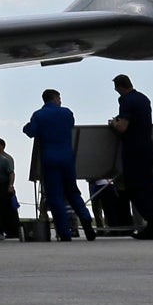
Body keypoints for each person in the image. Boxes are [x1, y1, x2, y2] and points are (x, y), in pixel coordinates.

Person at [24, 90, 93, 241]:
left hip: (49, 158)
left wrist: (26, 126)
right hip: (67, 157)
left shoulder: (38, 115)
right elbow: (70, 125)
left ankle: (64, 232)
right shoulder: (67, 113)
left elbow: (30, 131)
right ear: (55, 98)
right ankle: (85, 217)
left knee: (55, 196)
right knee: (73, 192)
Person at [110, 75, 153, 239]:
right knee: (146, 187)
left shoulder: (126, 101)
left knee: (135, 188)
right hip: (147, 147)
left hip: (133, 149)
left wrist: (113, 123)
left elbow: (122, 127)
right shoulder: (143, 98)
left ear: (119, 87)